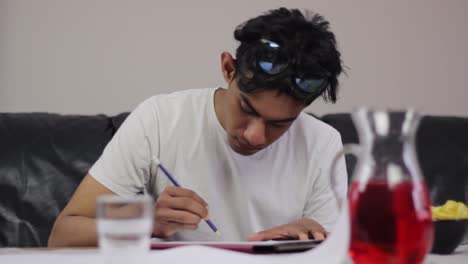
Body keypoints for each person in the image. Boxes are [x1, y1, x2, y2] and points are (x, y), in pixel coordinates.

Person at [48, 7, 347, 247]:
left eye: (280, 124)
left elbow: (336, 251)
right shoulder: (160, 118)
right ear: (228, 69)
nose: (254, 135)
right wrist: (147, 220)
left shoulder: (322, 143)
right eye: (246, 108)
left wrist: (315, 243)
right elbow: (63, 233)